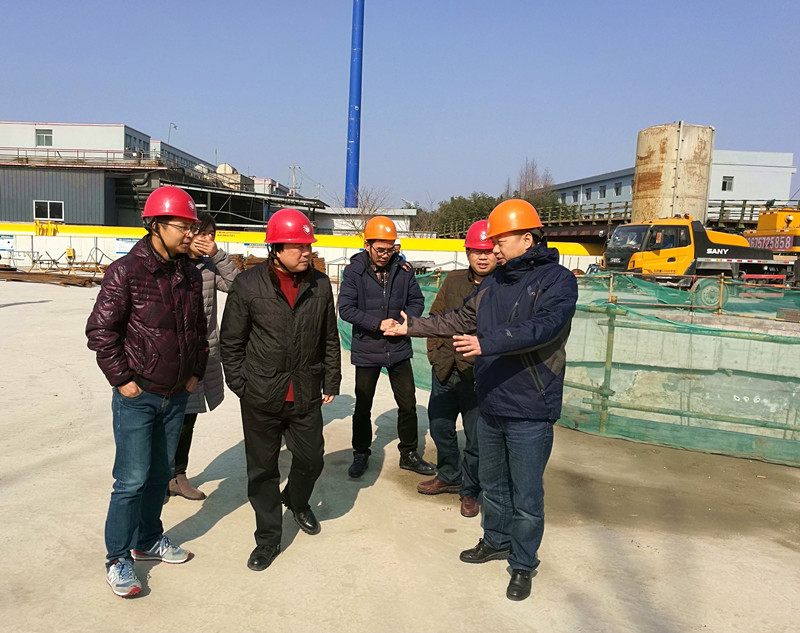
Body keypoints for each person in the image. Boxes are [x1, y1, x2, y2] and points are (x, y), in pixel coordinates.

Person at [385, 199, 578, 601]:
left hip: (530, 405)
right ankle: (496, 540)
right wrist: (412, 326)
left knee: (526, 495)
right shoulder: (494, 282)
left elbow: (543, 327)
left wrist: (486, 343)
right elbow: (460, 318)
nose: (493, 248)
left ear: (527, 239)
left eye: (500, 240)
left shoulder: (557, 280)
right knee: (493, 484)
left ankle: (522, 563)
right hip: (491, 400)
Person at [86, 186, 209, 598]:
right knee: (131, 480)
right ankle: (118, 557)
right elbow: (101, 331)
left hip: (176, 395)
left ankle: (149, 539)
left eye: (192, 226)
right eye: (182, 226)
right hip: (138, 397)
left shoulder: (190, 274)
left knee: (159, 475)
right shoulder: (126, 272)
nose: (190, 234)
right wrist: (123, 380)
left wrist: (194, 372)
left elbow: (199, 330)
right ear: (155, 225)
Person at [220, 208, 341, 572]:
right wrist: (241, 385)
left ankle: (297, 500)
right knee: (262, 471)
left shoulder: (320, 285)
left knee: (311, 459)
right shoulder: (248, 285)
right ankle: (268, 538)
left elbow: (329, 337)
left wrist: (331, 379)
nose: (307, 252)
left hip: (304, 391)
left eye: (308, 245)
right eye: (298, 246)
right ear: (275, 248)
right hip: (261, 395)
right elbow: (231, 342)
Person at [338, 215, 434, 478]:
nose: (384, 255)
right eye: (380, 249)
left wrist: (404, 322)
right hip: (368, 348)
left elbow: (416, 301)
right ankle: (361, 452)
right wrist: (377, 324)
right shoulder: (354, 272)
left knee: (408, 404)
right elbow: (346, 308)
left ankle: (409, 453)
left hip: (398, 347)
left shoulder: (404, 270)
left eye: (390, 249)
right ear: (367, 245)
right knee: (363, 405)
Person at [416, 220, 497, 519]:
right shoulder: (453, 280)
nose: (482, 257)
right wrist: (434, 353)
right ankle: (449, 475)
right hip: (445, 368)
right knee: (439, 425)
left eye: (488, 251)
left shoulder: (502, 286)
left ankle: (470, 490)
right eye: (476, 251)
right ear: (467, 252)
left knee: (476, 438)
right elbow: (436, 315)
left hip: (477, 375)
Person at [168, 213, 239, 500]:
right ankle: (160, 477)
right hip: (171, 356)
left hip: (202, 353)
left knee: (188, 419)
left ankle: (178, 475)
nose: (208, 239)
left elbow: (237, 286)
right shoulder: (171, 265)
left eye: (212, 234)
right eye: (203, 233)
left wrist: (218, 255)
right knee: (165, 419)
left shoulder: (209, 268)